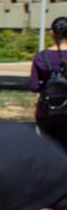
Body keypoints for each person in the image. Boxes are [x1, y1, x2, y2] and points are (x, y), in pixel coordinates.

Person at [29, 16, 67, 150]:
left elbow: (34, 86)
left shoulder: (42, 56)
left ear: (52, 32)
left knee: (48, 148)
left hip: (47, 109)